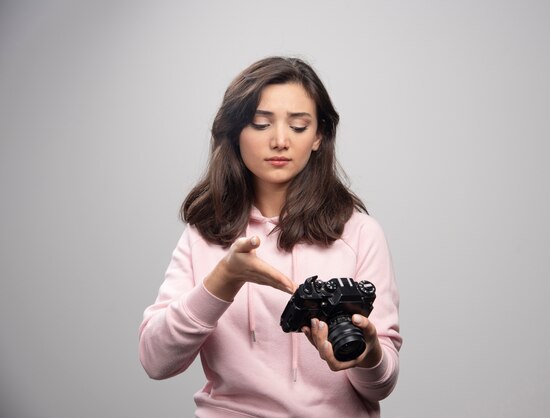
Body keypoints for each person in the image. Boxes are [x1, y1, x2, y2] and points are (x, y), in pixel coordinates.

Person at [139, 56, 402, 418]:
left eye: (298, 126)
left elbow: (381, 385)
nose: (280, 141)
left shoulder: (359, 233)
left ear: (318, 136)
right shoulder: (205, 233)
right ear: (234, 133)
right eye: (261, 124)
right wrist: (223, 280)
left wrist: (369, 352)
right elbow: (156, 361)